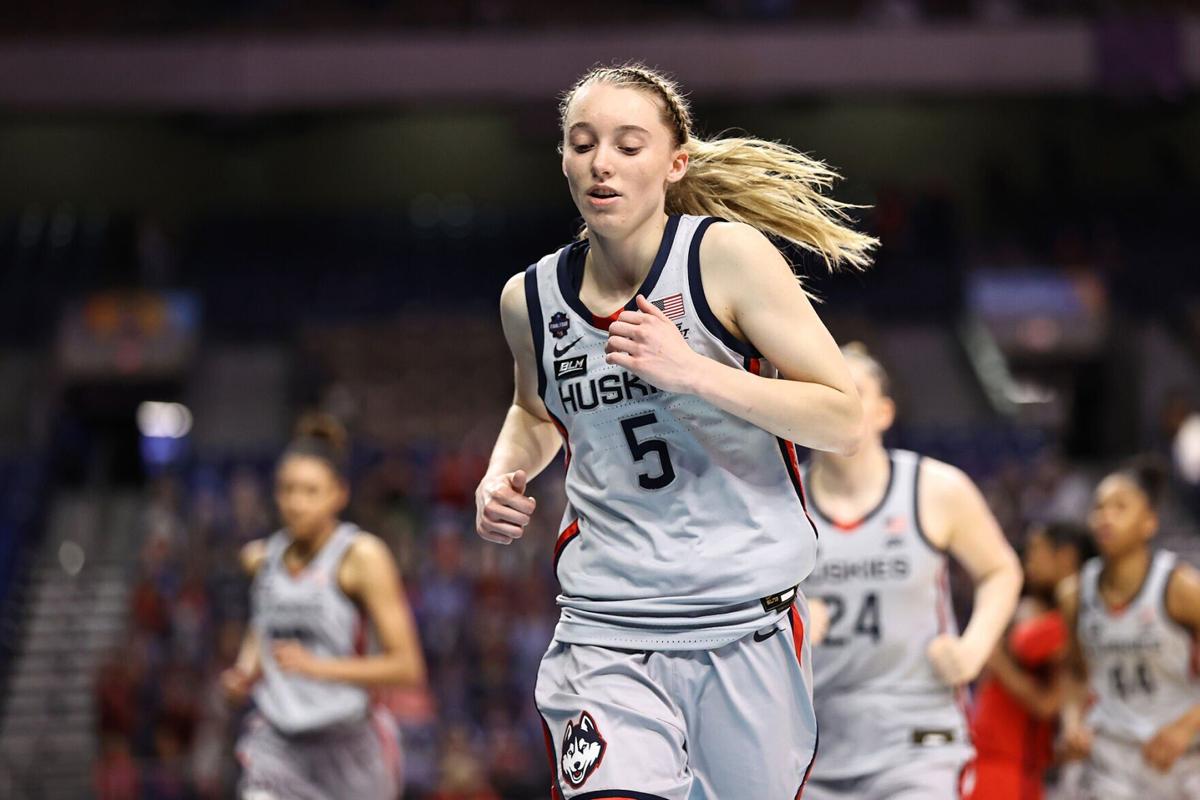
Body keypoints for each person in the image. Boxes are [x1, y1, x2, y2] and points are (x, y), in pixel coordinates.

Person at [474, 62, 876, 800]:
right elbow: (535, 411)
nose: (601, 163)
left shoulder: (725, 258)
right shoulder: (527, 298)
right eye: (582, 143)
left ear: (674, 162)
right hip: (605, 627)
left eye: (629, 146)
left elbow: (845, 419)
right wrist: (505, 472)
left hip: (742, 623)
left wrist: (695, 372)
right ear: (562, 158)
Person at [799, 343, 1022, 800]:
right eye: (823, 387)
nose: (836, 398)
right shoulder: (782, 497)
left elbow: (1001, 570)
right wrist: (789, 619)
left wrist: (975, 647)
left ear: (884, 413)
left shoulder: (935, 488)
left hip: (916, 735)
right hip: (810, 736)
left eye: (852, 390)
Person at [222, 413, 426, 800]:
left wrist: (317, 668)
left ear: (339, 494)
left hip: (350, 749)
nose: (297, 503)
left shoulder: (362, 557)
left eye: (311, 491)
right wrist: (244, 672)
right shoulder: (261, 559)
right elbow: (264, 628)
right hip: (279, 745)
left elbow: (407, 668)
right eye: (288, 490)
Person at [1060, 460, 1200, 799]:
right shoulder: (1074, 593)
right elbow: (1074, 675)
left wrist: (1186, 726)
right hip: (1110, 755)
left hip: (1177, 755)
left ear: (1149, 523)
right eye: (1099, 507)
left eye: (1120, 507)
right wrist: (1071, 722)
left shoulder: (1180, 587)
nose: (1106, 517)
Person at [968, 520, 1095, 800]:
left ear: (1066, 557)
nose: (1028, 560)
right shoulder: (1043, 611)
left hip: (1016, 764)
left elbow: (1049, 700)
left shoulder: (1078, 622)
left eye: (1037, 550)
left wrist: (996, 656)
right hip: (1001, 761)